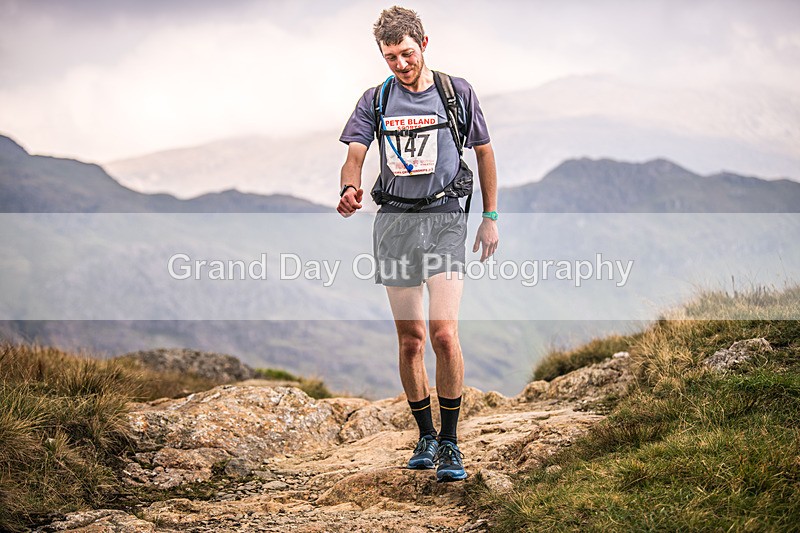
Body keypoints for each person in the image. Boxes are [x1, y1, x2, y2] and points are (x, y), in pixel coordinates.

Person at [337, 6, 498, 482]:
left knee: (444, 333)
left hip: (446, 219)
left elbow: (485, 152)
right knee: (411, 339)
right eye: (390, 57)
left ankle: (450, 443)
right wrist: (349, 188)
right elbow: (354, 154)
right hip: (395, 226)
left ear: (423, 44)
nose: (400, 65)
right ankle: (425, 436)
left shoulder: (455, 92)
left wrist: (489, 217)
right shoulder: (376, 99)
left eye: (406, 54)